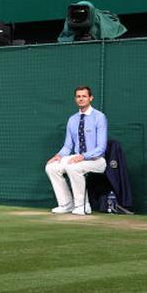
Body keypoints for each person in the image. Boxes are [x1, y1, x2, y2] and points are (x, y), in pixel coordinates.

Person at [44, 86, 108, 215]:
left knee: (73, 168)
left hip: (97, 160)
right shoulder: (72, 120)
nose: (81, 99)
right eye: (78, 96)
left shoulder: (99, 117)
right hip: (78, 158)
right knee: (51, 167)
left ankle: (82, 206)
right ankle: (66, 204)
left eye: (84, 96)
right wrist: (59, 155)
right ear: (75, 99)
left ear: (90, 98)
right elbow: (68, 146)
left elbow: (101, 148)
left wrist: (84, 156)